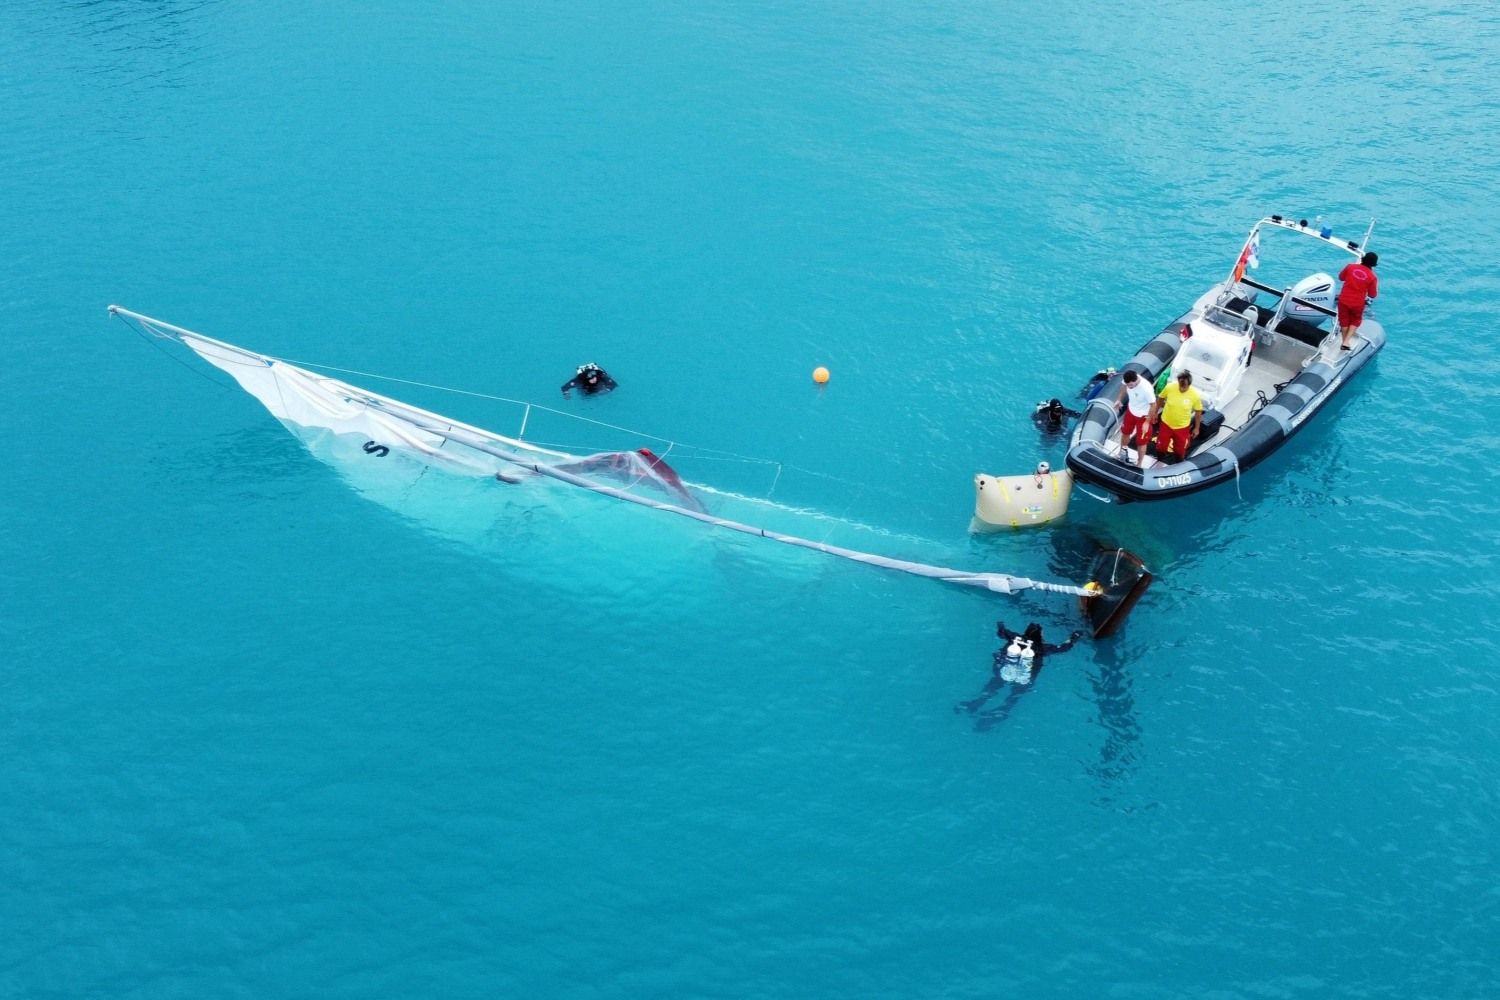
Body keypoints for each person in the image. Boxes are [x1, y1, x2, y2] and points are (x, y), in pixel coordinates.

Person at [956, 621, 1083, 726]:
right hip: (1024, 677)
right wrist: (1074, 637)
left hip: (1004, 671)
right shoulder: (1043, 648)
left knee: (991, 689)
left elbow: (1001, 633)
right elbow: (1063, 648)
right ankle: (998, 714)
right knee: (1012, 699)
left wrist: (1000, 625)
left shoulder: (1014, 638)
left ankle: (973, 705)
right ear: (1040, 636)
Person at [1150, 371, 1203, 462]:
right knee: (1161, 447)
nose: (1181, 389)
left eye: (1184, 387)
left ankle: (1179, 463)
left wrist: (1197, 428)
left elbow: (1198, 411)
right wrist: (1155, 413)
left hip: (1182, 427)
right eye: (1180, 385)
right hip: (1166, 423)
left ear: (1189, 385)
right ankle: (1159, 460)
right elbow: (1160, 398)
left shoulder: (1195, 395)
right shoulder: (1170, 387)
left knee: (1179, 450)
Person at [1336, 251, 1379, 351]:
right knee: (1355, 320)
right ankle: (1346, 342)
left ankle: (1344, 342)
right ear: (1373, 264)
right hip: (1357, 303)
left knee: (1344, 320)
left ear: (1363, 259)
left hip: (1344, 299)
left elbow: (1341, 277)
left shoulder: (1350, 267)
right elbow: (1372, 295)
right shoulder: (1372, 277)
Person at [1117, 369, 1156, 466]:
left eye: (1131, 385)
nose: (1129, 387)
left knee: (1141, 442)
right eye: (1128, 385)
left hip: (1143, 416)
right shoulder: (1128, 380)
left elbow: (1153, 405)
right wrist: (1119, 399)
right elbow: (1123, 386)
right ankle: (1121, 452)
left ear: (1135, 381)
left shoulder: (1146, 389)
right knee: (1125, 432)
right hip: (1131, 411)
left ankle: (1139, 462)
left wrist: (1147, 422)